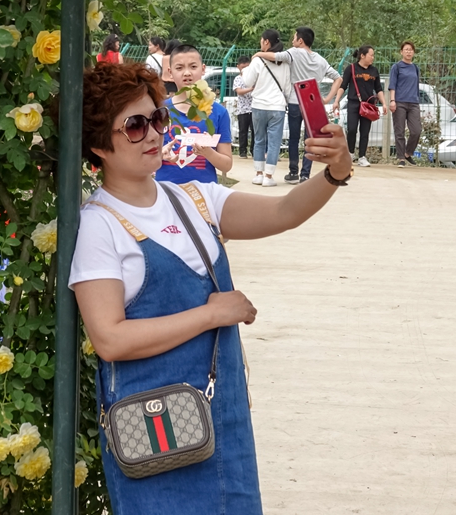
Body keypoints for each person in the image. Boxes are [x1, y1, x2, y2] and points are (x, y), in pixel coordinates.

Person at [70, 63, 353, 515]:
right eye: (134, 126)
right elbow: (109, 339)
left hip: (223, 420)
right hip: (155, 431)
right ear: (98, 144)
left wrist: (335, 172)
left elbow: (283, 213)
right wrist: (212, 313)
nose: (153, 134)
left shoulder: (195, 199)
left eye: (157, 119)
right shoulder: (99, 224)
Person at [249, 27, 341, 183]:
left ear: (300, 41)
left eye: (294, 38)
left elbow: (275, 56)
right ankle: (305, 174)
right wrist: (326, 99)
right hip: (313, 103)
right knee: (310, 139)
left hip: (295, 100)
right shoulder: (320, 60)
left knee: (293, 138)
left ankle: (293, 173)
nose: (292, 41)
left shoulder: (294, 52)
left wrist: (258, 54)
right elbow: (338, 78)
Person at [156, 45, 233, 184]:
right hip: (165, 192)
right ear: (170, 72)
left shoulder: (218, 112)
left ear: (203, 69)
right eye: (179, 68)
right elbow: (141, 158)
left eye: (193, 67)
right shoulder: (159, 111)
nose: (187, 73)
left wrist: (208, 152)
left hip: (204, 195)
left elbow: (226, 165)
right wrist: (158, 155)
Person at [245, 30, 290, 186]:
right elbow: (287, 87)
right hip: (277, 106)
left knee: (259, 139)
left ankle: (258, 174)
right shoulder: (285, 63)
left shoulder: (257, 61)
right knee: (273, 142)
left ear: (266, 42)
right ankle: (268, 177)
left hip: (258, 105)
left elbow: (248, 82)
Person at [334, 45, 388, 167]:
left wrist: (384, 103)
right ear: (362, 55)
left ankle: (362, 156)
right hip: (353, 103)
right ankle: (351, 153)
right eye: (371, 55)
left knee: (365, 131)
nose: (373, 58)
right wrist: (336, 101)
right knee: (352, 129)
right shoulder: (351, 69)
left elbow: (378, 88)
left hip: (368, 105)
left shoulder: (374, 71)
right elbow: (343, 86)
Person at [389, 41, 422, 167]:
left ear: (413, 52)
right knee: (400, 131)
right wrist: (393, 100)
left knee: (416, 130)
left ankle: (408, 153)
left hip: (413, 102)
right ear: (401, 52)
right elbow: (392, 85)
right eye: (406, 49)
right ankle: (401, 157)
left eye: (411, 50)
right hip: (400, 102)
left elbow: (416, 85)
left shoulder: (415, 68)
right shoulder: (396, 67)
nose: (408, 52)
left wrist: (417, 99)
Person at [232, 56, 253, 159]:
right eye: (243, 67)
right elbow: (239, 91)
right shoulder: (237, 79)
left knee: (255, 131)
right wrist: (251, 89)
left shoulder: (254, 78)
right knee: (243, 131)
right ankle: (242, 151)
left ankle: (254, 151)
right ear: (238, 67)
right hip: (242, 109)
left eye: (247, 67)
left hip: (254, 109)